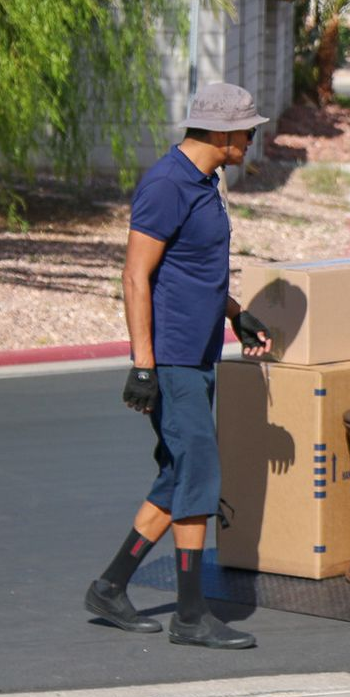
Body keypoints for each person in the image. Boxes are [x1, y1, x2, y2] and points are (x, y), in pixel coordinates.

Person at [84, 82, 273, 650]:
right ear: (219, 134)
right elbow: (135, 275)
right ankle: (191, 614)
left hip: (200, 349)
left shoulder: (205, 182)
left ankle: (110, 587)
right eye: (246, 130)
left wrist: (235, 315)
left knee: (177, 472)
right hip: (171, 360)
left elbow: (193, 272)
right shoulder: (167, 185)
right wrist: (144, 365)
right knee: (198, 474)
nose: (251, 138)